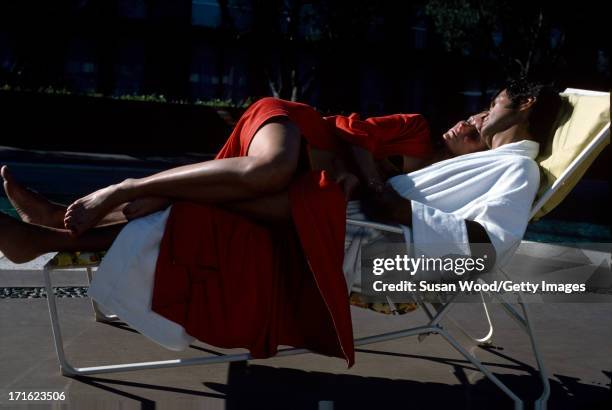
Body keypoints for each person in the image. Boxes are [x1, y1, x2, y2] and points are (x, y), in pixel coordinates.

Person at [0, 97, 489, 366]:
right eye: (474, 112)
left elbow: (452, 232)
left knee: (206, 215)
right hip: (291, 129)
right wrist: (369, 180)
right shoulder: (420, 127)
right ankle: (124, 187)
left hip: (305, 189)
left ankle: (50, 228)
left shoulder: (444, 183)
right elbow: (354, 130)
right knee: (268, 170)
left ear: (483, 155)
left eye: (479, 125)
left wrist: (360, 188)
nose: (467, 120)